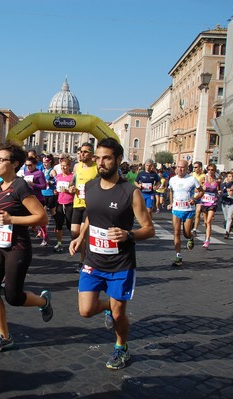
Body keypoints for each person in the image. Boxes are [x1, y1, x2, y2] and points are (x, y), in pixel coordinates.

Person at [69, 138, 154, 370]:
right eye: (98, 158)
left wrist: (129, 235)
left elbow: (149, 228)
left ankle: (121, 347)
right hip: (93, 260)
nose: (101, 162)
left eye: (107, 158)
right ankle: (108, 306)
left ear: (118, 160)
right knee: (85, 311)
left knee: (119, 316)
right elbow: (90, 216)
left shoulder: (130, 192)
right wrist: (80, 236)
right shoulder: (90, 186)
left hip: (120, 264)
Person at [0, 143, 52, 354]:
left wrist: (12, 218)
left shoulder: (21, 186)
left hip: (17, 246)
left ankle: (43, 301)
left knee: (13, 297)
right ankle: (4, 336)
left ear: (14, 164)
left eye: (0, 160)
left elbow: (41, 217)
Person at [167, 160, 203, 267]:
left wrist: (195, 199)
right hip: (177, 209)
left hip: (188, 210)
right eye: (178, 167)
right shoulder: (172, 179)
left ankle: (190, 237)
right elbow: (170, 191)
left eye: (183, 167)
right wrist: (170, 203)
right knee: (176, 232)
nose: (180, 169)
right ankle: (178, 256)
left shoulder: (192, 179)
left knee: (186, 232)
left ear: (187, 168)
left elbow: (201, 191)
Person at [70, 143, 97, 271]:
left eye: (85, 152)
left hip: (90, 205)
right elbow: (72, 180)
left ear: (92, 154)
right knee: (74, 232)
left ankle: (83, 261)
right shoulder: (76, 166)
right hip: (77, 203)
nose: (82, 154)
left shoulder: (97, 167)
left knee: (83, 234)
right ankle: (87, 255)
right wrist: (71, 187)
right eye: (80, 151)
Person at [23, 156, 48, 245]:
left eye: (30, 165)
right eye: (26, 165)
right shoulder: (26, 172)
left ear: (35, 165)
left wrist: (33, 184)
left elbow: (43, 186)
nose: (28, 167)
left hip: (38, 199)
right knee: (25, 218)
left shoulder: (39, 173)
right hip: (27, 198)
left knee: (40, 219)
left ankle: (45, 237)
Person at [53, 156, 75, 253]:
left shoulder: (72, 177)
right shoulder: (58, 177)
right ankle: (59, 243)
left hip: (70, 203)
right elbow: (57, 189)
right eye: (61, 166)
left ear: (69, 166)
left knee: (70, 225)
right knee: (58, 225)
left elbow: (75, 191)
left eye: (65, 166)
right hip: (59, 202)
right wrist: (56, 192)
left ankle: (73, 242)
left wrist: (67, 190)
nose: (63, 168)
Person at [198, 164, 219, 248]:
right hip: (204, 202)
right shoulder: (204, 178)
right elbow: (197, 189)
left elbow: (218, 190)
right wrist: (202, 188)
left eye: (212, 170)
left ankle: (207, 240)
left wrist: (219, 193)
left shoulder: (217, 180)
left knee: (209, 221)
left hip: (212, 202)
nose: (210, 171)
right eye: (209, 169)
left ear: (215, 171)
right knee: (206, 222)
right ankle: (207, 234)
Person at [221, 171, 233, 240]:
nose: (231, 177)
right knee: (226, 218)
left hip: (232, 202)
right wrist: (228, 193)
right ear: (226, 177)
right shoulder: (224, 184)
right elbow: (222, 194)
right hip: (224, 202)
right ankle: (228, 226)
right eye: (229, 176)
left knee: (229, 218)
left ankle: (227, 232)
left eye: (232, 176)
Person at [191, 161, 206, 237]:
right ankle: (191, 223)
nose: (195, 169)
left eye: (196, 167)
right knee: (191, 213)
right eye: (194, 167)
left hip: (200, 196)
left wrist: (203, 187)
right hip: (192, 196)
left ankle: (195, 229)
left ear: (200, 168)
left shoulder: (204, 176)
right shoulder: (191, 175)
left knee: (198, 213)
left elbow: (206, 186)